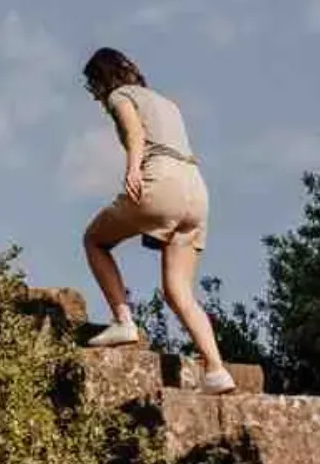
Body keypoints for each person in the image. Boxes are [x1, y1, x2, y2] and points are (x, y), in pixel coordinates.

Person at [77, 46, 234, 392]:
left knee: (94, 239)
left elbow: (135, 133)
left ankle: (123, 322)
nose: (96, 98)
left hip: (161, 179)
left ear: (103, 80)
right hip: (196, 189)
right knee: (179, 290)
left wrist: (132, 168)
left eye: (94, 88)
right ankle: (216, 370)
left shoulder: (121, 96)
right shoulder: (167, 102)